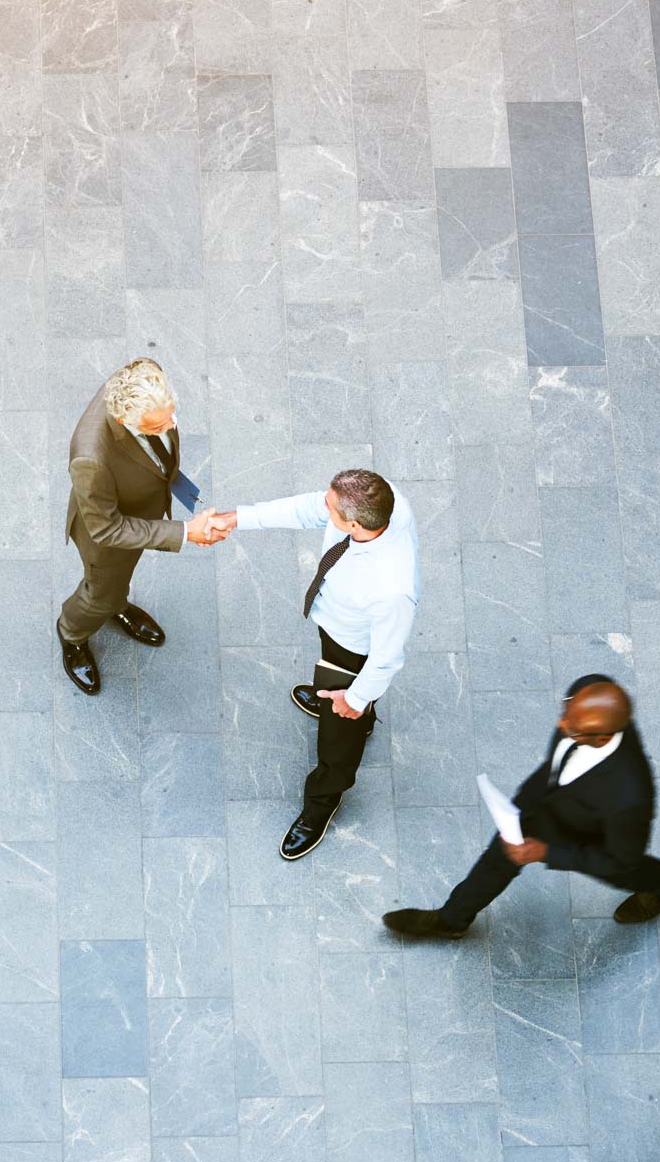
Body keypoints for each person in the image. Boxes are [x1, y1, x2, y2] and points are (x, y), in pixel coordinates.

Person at [382, 675, 660, 938]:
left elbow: (619, 860)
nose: (561, 723)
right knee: (500, 854)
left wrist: (544, 852)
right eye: (566, 712)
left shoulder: (629, 796)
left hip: (595, 826)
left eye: (572, 726)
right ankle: (451, 921)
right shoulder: (589, 693)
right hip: (549, 801)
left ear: (602, 738)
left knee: (624, 871)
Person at [212, 470, 418, 859]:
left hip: (356, 653)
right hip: (337, 626)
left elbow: (387, 658)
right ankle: (343, 705)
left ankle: (321, 805)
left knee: (339, 740)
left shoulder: (391, 588)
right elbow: (307, 508)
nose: (321, 507)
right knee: (331, 684)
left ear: (354, 524)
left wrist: (354, 699)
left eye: (330, 507)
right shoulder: (382, 504)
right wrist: (236, 517)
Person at [57, 358, 228, 696]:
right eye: (155, 428)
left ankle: (117, 605)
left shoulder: (145, 373)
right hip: (107, 537)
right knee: (98, 593)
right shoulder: (90, 458)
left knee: (119, 582)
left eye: (171, 417)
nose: (169, 427)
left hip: (139, 508)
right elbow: (106, 529)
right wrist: (184, 532)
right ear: (124, 420)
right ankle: (72, 632)